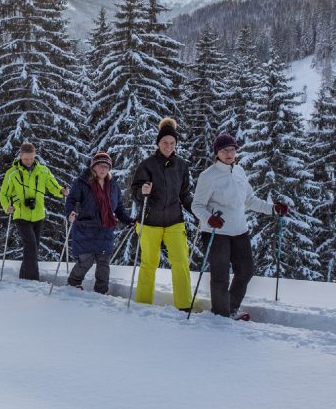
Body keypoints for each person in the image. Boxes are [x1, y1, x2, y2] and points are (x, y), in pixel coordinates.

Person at [192, 133, 290, 318]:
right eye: (224, 150)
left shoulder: (239, 171)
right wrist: (209, 218)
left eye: (232, 149)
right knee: (220, 277)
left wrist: (273, 209)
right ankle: (221, 314)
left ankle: (231, 308)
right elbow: (196, 205)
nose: (229, 153)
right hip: (216, 232)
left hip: (239, 231)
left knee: (245, 271)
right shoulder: (208, 176)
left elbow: (250, 200)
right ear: (217, 153)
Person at [129, 117, 194, 310]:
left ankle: (184, 305)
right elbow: (135, 192)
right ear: (158, 143)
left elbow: (185, 194)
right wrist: (143, 191)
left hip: (175, 220)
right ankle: (142, 304)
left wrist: (198, 211)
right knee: (149, 263)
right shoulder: (147, 164)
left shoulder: (181, 165)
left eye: (172, 143)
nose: (168, 146)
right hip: (150, 221)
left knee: (181, 262)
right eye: (165, 142)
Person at [0, 142, 70, 281]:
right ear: (20, 156)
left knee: (33, 248)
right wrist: (7, 206)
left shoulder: (43, 170)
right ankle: (32, 280)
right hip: (20, 214)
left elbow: (53, 185)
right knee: (30, 245)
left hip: (38, 215)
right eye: (26, 159)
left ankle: (23, 277)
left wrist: (61, 191)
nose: (29, 162)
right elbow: (4, 194)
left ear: (34, 156)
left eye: (31, 158)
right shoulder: (12, 173)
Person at [65, 151, 134, 293]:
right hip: (86, 229)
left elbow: (119, 207)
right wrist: (70, 213)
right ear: (93, 167)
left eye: (106, 166)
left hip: (105, 230)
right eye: (100, 166)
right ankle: (72, 286)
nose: (103, 169)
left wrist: (128, 221)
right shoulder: (82, 182)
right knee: (85, 262)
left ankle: (101, 293)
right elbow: (71, 200)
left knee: (104, 265)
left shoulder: (113, 185)